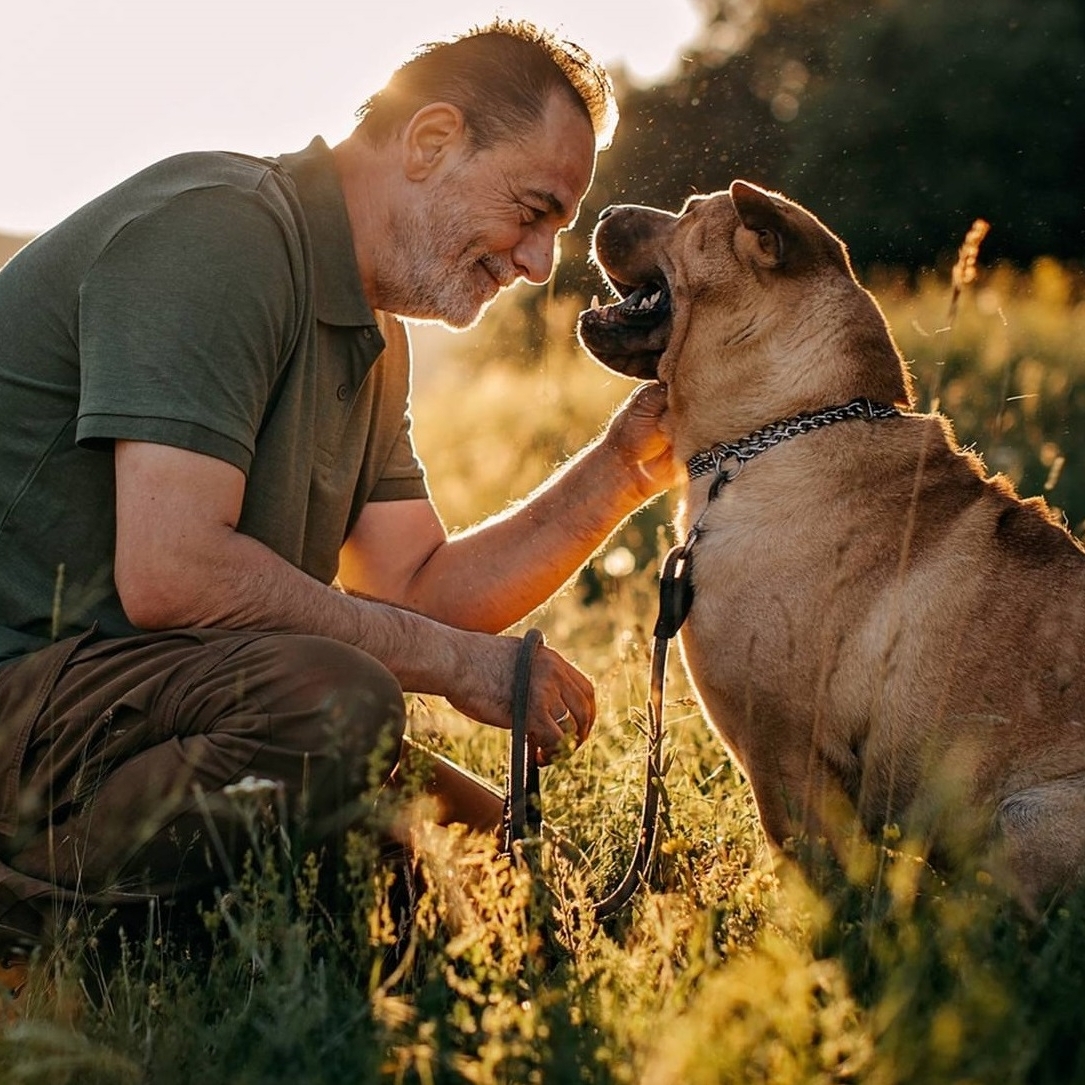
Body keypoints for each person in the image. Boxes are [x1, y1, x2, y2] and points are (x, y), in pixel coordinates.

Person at [0, 19, 676, 972]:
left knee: (539, 903)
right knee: (337, 707)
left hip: (141, 709)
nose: (536, 265)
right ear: (431, 139)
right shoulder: (218, 231)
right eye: (533, 211)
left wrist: (628, 466)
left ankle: (225, 916)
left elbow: (416, 587)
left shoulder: (376, 337)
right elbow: (174, 570)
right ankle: (32, 942)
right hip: (28, 690)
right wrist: (453, 663)